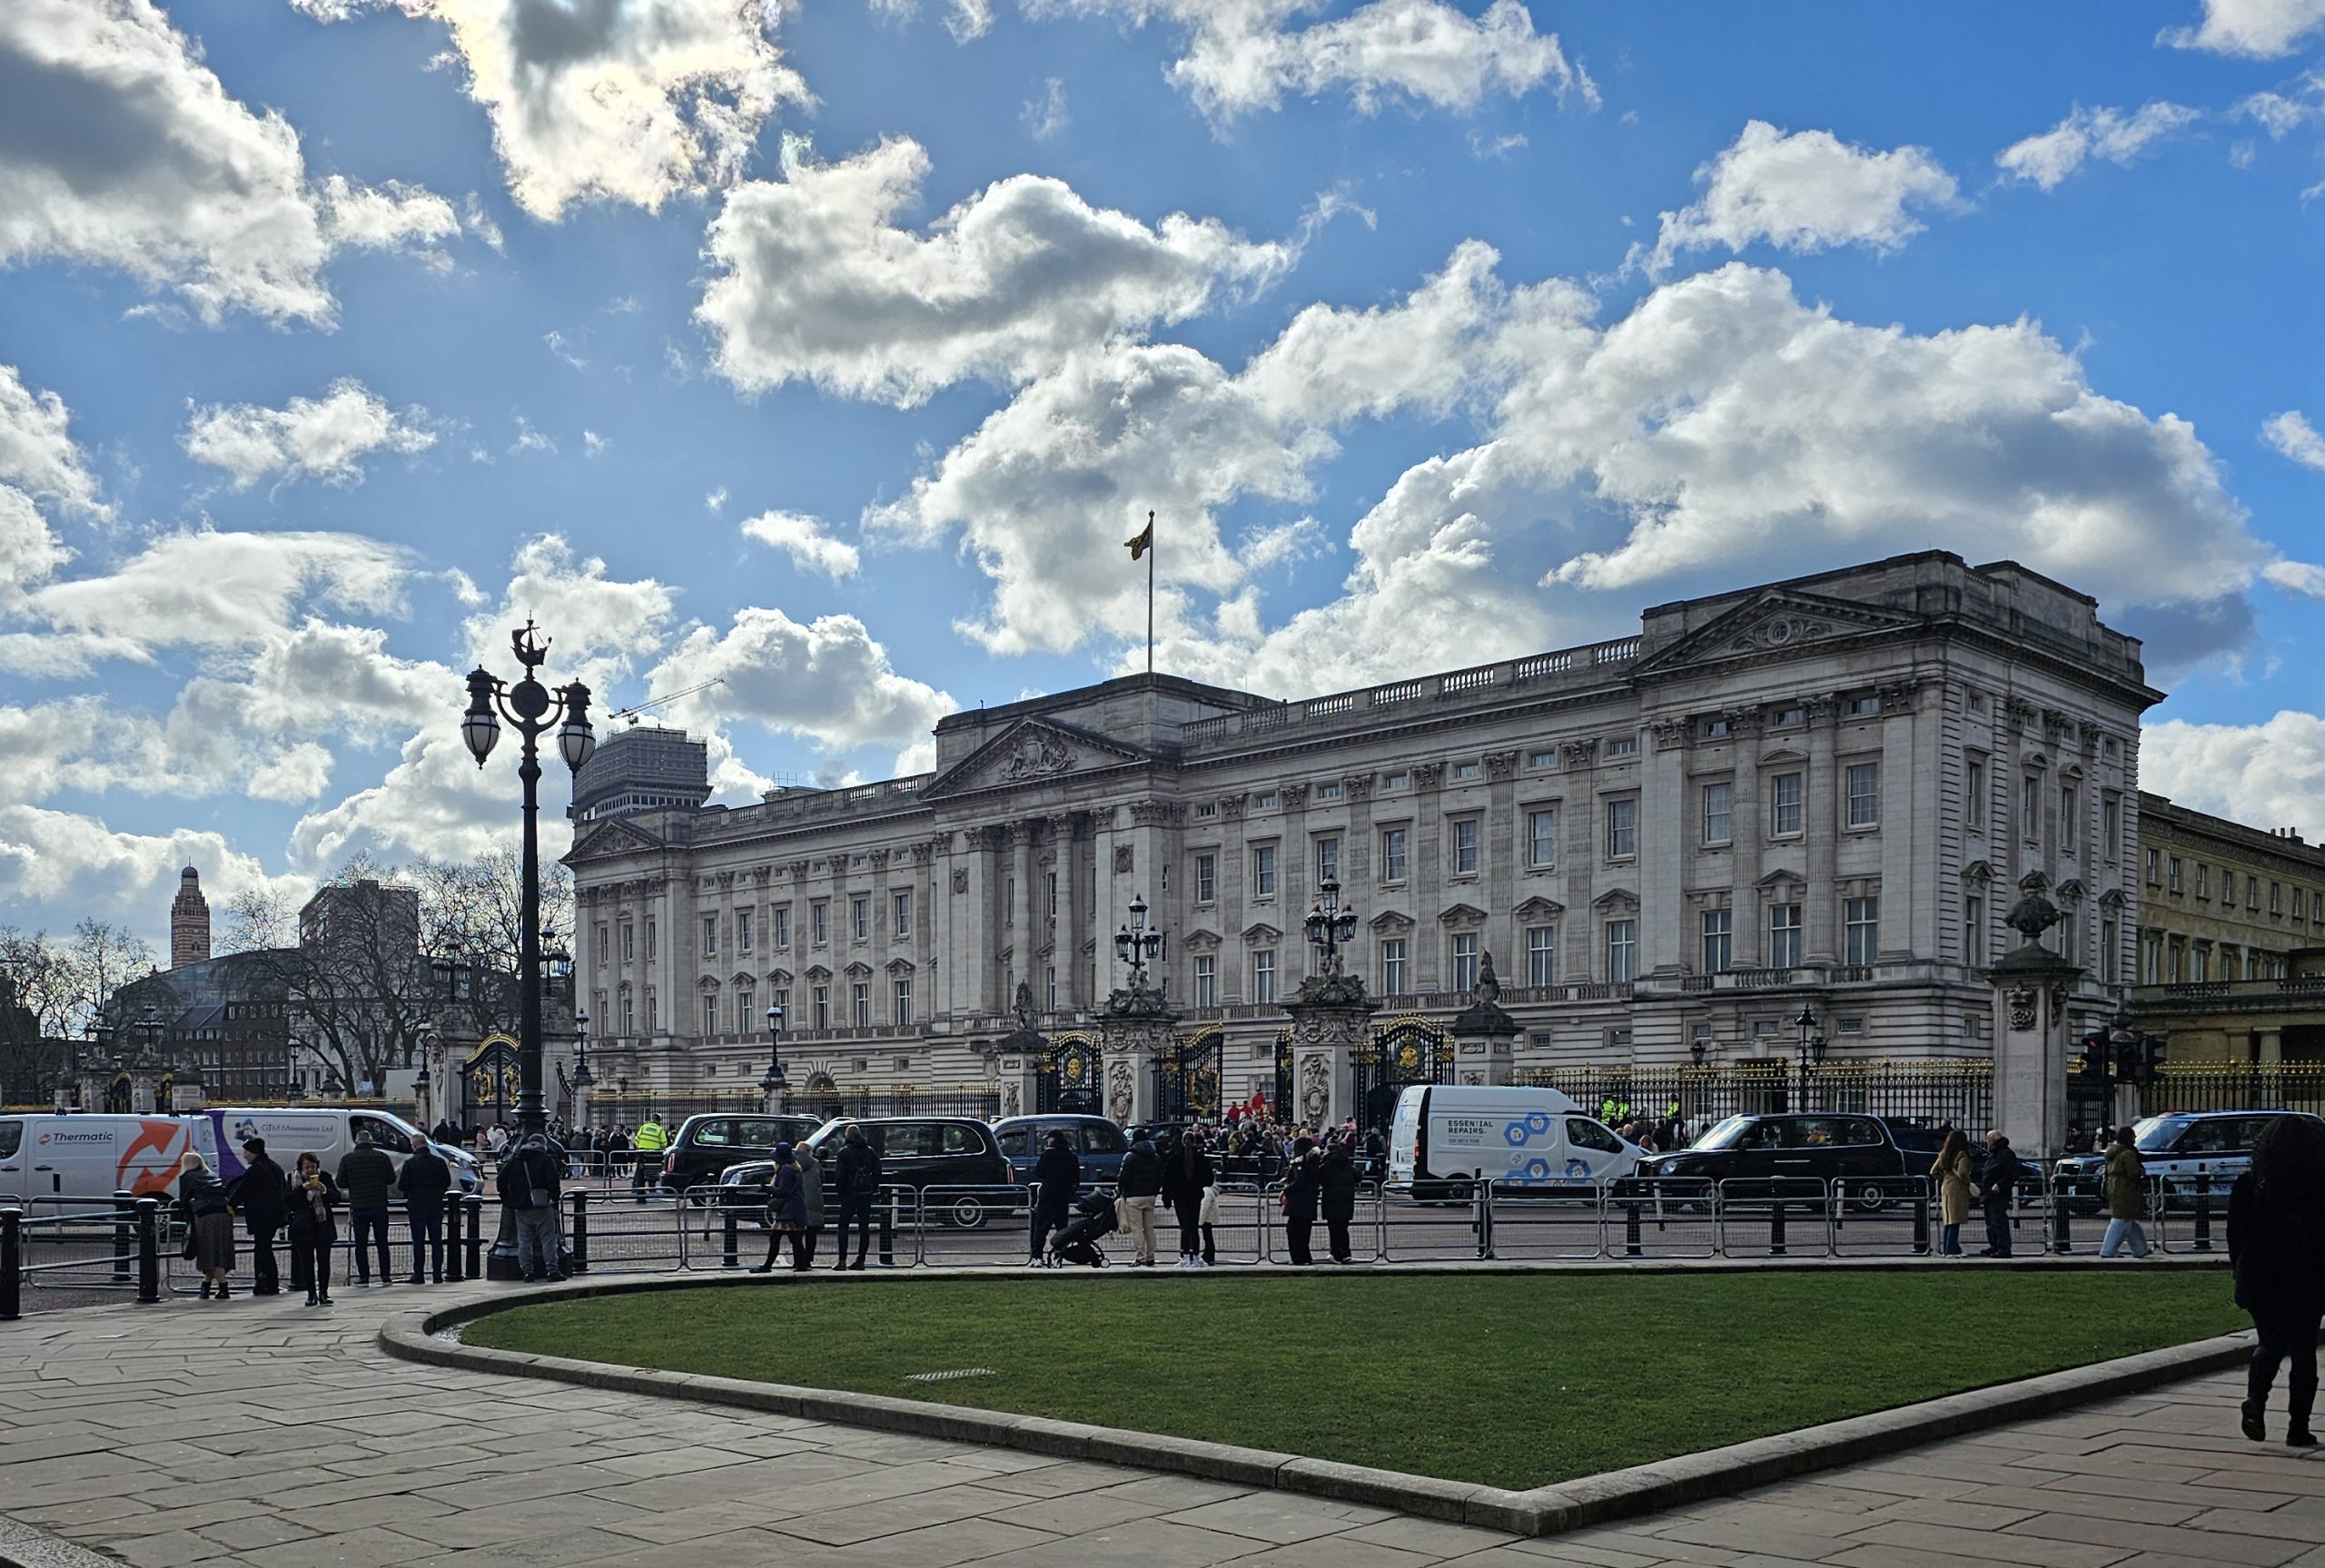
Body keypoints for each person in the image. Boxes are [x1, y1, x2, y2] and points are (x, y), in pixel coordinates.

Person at [2230, 1114, 2325, 1447]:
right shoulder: (2318, 1186)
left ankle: (2256, 1398)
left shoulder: (2248, 1185)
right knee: (2303, 1350)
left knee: (2269, 1342)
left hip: (2261, 1276)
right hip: (2307, 1276)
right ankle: (2298, 1428)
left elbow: (2235, 1239)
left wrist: (2238, 1275)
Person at [497, 1132, 566, 1282]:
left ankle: (527, 1272)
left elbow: (501, 1180)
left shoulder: (516, 1160)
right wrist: (554, 1197)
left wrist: (507, 1199)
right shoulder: (545, 1159)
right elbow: (554, 1179)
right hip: (542, 1203)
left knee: (524, 1241)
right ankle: (551, 1270)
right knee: (548, 1239)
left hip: (521, 1205)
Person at [229, 1137, 289, 1297]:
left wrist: (230, 1205)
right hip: (274, 1214)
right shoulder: (275, 1167)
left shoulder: (256, 1169)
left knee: (262, 1249)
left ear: (254, 1152)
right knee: (264, 1248)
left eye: (246, 1151)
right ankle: (269, 1282)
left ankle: (265, 1281)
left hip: (261, 1215)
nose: (244, 1155)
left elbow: (242, 1190)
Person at [336, 1131, 397, 1287]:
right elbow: (391, 1179)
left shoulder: (348, 1159)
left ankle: (364, 1276)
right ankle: (385, 1275)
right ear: (371, 1141)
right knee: (382, 1242)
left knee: (360, 1243)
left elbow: (341, 1182)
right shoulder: (382, 1157)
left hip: (359, 1205)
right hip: (379, 1205)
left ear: (356, 1141)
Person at [176, 1150, 236, 1300]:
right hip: (224, 1213)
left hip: (205, 1214)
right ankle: (206, 1287)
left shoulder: (187, 1177)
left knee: (209, 1251)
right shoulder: (211, 1175)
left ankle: (223, 1288)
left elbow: (183, 1200)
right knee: (219, 1250)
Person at [397, 1132, 454, 1284]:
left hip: (417, 1205)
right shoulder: (439, 1162)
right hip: (435, 1204)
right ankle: (437, 1274)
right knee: (436, 1241)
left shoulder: (410, 1163)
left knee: (418, 1241)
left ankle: (419, 1274)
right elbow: (446, 1182)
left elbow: (402, 1185)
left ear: (414, 1145)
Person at [285, 1153, 340, 1307]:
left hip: (322, 1225)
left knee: (324, 1260)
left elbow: (337, 1198)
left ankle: (323, 1292)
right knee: (307, 1262)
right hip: (303, 1227)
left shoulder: (326, 1177)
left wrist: (324, 1190)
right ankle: (311, 1294)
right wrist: (303, 1189)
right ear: (301, 1168)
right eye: (307, 1167)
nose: (310, 1170)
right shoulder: (292, 1179)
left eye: (313, 1167)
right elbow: (288, 1199)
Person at [1162, 1123, 1214, 1268]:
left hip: (1180, 1197)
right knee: (1194, 1227)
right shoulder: (1200, 1158)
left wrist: (1167, 1198)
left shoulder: (1175, 1158)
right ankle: (1195, 1256)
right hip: (1195, 1195)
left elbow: (1167, 1180)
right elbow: (1210, 1178)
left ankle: (1185, 1256)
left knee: (1184, 1227)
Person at [832, 1123, 882, 1270]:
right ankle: (861, 1259)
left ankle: (842, 1260)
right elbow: (878, 1172)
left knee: (843, 1226)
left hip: (849, 1193)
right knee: (864, 1227)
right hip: (865, 1193)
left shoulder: (844, 1152)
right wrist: (873, 1188)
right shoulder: (870, 1151)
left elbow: (840, 1176)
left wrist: (840, 1192)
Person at [752, 1144, 807, 1272]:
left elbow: (783, 1191)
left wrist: (768, 1188)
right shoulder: (795, 1170)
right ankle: (801, 1264)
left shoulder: (785, 1170)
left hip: (788, 1209)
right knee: (795, 1239)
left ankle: (767, 1266)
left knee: (775, 1238)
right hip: (796, 1207)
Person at [2100, 1125, 2152, 1259]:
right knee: (2121, 1220)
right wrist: (2142, 1171)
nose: (2135, 1138)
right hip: (2126, 1189)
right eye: (2133, 1136)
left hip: (2115, 1188)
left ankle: (2140, 1249)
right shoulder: (2127, 1153)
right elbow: (2133, 1173)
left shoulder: (2113, 1152)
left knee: (2129, 1220)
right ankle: (2108, 1250)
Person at [1029, 1129, 1079, 1265]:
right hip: (1063, 1196)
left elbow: (1039, 1172)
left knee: (1041, 1228)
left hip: (1047, 1195)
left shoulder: (1048, 1154)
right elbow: (1076, 1179)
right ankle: (1058, 1255)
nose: (1047, 1141)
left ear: (1053, 1139)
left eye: (1049, 1139)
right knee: (1062, 1229)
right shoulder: (1071, 1156)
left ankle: (1037, 1257)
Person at [1115, 1134, 1162, 1266]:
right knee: (1149, 1228)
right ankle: (1151, 1256)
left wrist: (1122, 1190)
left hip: (1133, 1196)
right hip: (1150, 1196)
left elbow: (1123, 1177)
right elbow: (1159, 1177)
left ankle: (1140, 1256)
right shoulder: (1155, 1157)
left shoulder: (1131, 1157)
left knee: (1137, 1228)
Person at [1979, 1130, 2022, 1258]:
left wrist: (2000, 1185)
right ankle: (1995, 1245)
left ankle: (2003, 1247)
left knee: (1999, 1221)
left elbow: (2012, 1174)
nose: (1986, 1142)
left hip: (1998, 1193)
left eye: (1988, 1139)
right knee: (1991, 1223)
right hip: (1989, 1193)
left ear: (1993, 1139)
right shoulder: (1996, 1153)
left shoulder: (2006, 1154)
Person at [1931, 1129, 1973, 1257]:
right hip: (1957, 1188)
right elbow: (1963, 1172)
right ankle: (1951, 1248)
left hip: (1946, 1186)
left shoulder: (1944, 1154)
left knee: (1949, 1219)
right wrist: (1968, 1183)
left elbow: (1933, 1171)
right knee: (1956, 1219)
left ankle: (1948, 1247)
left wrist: (1943, 1178)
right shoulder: (1962, 1155)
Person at [1319, 1138, 1361, 1264]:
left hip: (1331, 1200)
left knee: (1334, 1229)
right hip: (1347, 1201)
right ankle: (1345, 1253)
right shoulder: (1347, 1164)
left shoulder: (1327, 1165)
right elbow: (1358, 1176)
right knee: (1343, 1228)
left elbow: (1318, 1178)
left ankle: (1336, 1254)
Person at [1281, 1137, 1322, 1265]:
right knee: (1304, 1231)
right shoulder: (1313, 1162)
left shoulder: (1301, 1163)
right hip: (1309, 1201)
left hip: (1299, 1201)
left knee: (1294, 1231)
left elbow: (1300, 1181)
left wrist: (1286, 1190)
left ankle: (1298, 1258)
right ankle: (1305, 1257)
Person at [793, 1139, 826, 1271]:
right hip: (813, 1200)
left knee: (796, 1234)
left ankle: (798, 1260)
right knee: (811, 1234)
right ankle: (808, 1259)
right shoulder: (816, 1164)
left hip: (798, 1201)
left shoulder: (792, 1164)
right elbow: (822, 1180)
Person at [631, 1115, 668, 1202]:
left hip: (641, 1152)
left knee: (639, 1171)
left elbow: (637, 1139)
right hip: (654, 1153)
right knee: (653, 1170)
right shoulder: (660, 1130)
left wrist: (640, 1147)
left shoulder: (644, 1127)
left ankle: (637, 1188)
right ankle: (652, 1187)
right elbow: (664, 1143)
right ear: (659, 1121)